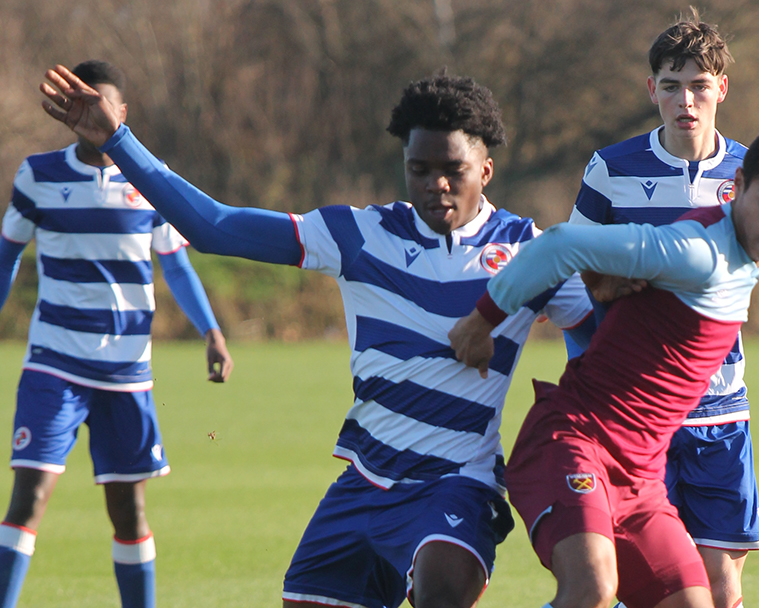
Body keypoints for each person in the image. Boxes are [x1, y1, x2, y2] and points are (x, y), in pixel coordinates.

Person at [37, 65, 595, 608]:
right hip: (365, 482)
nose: (436, 186)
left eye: (453, 169)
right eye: (419, 169)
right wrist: (119, 141)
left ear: (487, 170)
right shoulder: (358, 235)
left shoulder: (528, 252)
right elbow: (213, 227)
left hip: (457, 483)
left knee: (441, 594)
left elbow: (600, 335)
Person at [451, 124, 759, 608]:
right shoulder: (698, 253)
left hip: (640, 477)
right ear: (737, 186)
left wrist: (605, 280)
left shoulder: (748, 247)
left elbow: (646, 298)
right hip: (574, 440)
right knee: (592, 588)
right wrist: (479, 323)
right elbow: (560, 244)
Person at [565, 14, 759, 608]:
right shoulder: (611, 169)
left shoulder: (752, 171)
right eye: (673, 85)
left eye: (700, 85)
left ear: (721, 89)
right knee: (638, 582)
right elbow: (571, 267)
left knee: (722, 589)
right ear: (651, 89)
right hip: (632, 410)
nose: (687, 99)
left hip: (717, 407)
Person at [0, 60, 233, 608]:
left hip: (127, 373)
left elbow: (176, 264)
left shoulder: (149, 183)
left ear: (120, 114)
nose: (94, 118)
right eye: (84, 108)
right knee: (29, 496)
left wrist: (212, 330)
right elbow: (7, 255)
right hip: (54, 364)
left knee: (129, 511)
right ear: (71, 115)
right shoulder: (39, 175)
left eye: (104, 107)